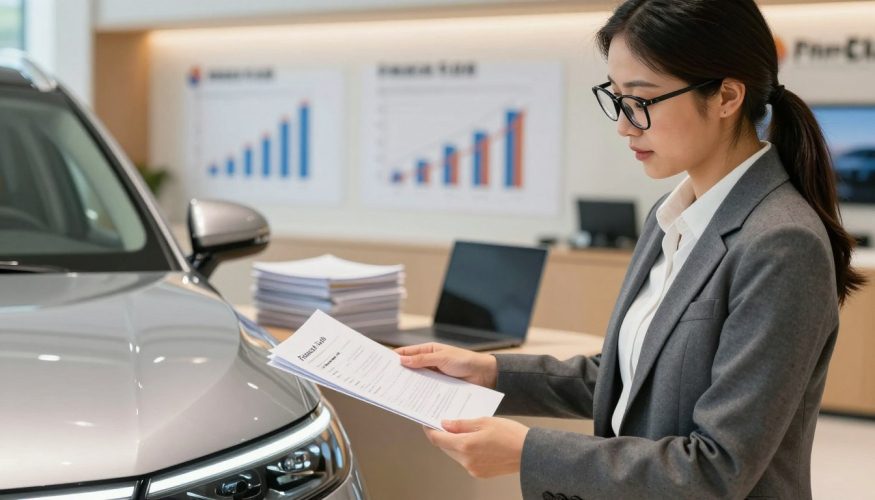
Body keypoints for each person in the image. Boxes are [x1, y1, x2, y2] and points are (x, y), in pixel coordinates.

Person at [396, 1, 867, 498]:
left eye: (641, 100)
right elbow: (627, 375)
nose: (624, 124)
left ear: (727, 96)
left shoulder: (781, 243)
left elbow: (718, 468)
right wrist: (489, 371)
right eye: (616, 97)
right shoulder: (671, 214)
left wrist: (527, 451)